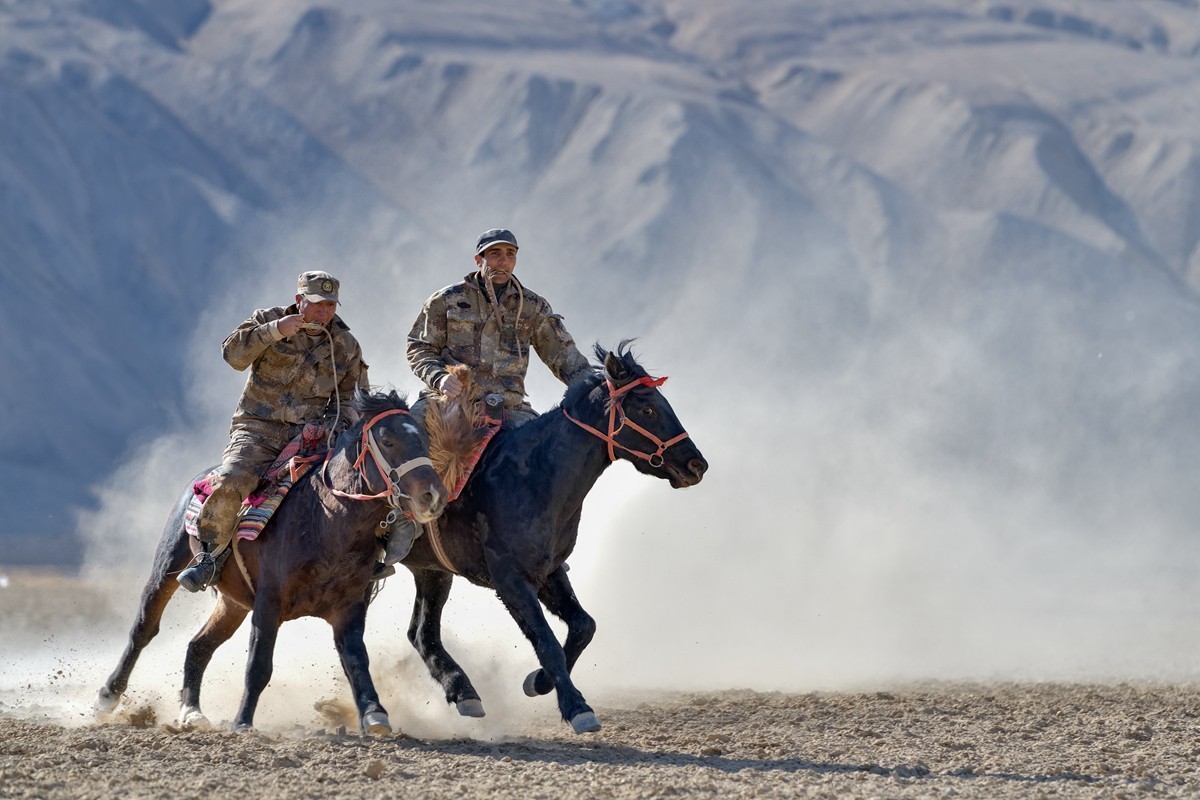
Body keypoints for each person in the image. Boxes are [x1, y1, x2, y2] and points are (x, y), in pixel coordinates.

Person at [177, 271, 368, 592]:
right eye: (317, 304)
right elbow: (233, 356)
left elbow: (352, 398)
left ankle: (363, 561)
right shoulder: (267, 320)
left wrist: (335, 427)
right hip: (257, 430)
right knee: (232, 479)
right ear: (299, 300)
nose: (324, 312)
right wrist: (274, 331)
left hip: (311, 437)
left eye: (330, 305)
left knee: (357, 483)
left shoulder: (345, 345)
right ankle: (209, 558)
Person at [406, 228, 592, 427]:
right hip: (447, 400)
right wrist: (439, 378)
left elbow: (563, 356)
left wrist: (598, 386)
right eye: (495, 254)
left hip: (509, 409)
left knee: (547, 443)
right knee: (405, 433)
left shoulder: (532, 307)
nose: (503, 261)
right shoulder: (447, 300)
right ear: (479, 259)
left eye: (510, 254)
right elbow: (419, 347)